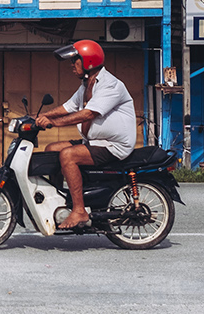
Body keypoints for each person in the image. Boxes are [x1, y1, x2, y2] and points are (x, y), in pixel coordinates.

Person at [34, 39, 136, 230]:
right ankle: (59, 200)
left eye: (75, 61)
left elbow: (88, 114)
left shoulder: (110, 85)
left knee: (68, 155)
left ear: (88, 61)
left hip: (113, 145)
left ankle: (79, 210)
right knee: (52, 149)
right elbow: (68, 107)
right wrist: (38, 117)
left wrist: (53, 123)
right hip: (94, 141)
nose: (72, 65)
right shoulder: (87, 84)